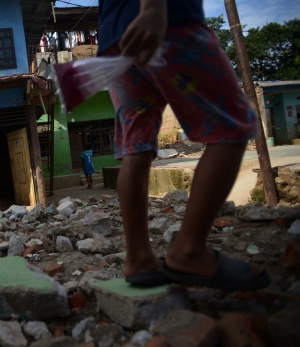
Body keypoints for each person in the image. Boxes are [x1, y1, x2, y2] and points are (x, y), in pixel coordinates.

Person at [98, 0, 270, 290]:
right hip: (168, 21)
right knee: (234, 124)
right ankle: (189, 250)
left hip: (115, 41)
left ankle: (138, 259)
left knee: (136, 148)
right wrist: (153, 8)